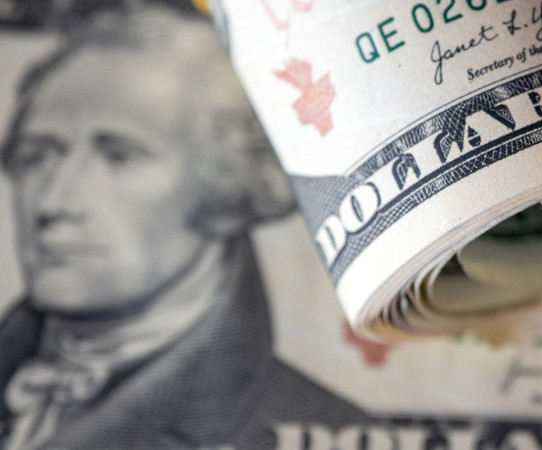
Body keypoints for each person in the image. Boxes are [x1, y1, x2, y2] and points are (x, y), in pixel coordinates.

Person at [0, 4, 365, 449]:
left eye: (119, 157)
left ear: (229, 181)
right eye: (37, 157)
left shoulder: (319, 428)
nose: (52, 203)